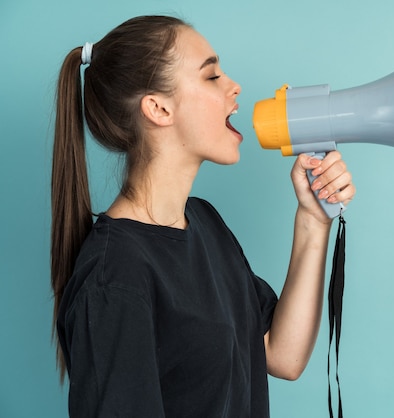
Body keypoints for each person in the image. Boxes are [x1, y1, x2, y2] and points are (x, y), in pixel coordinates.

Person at [50, 15, 355, 418]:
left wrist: (314, 219)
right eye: (212, 77)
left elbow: (281, 354)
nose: (234, 86)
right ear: (158, 108)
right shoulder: (115, 279)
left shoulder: (204, 222)